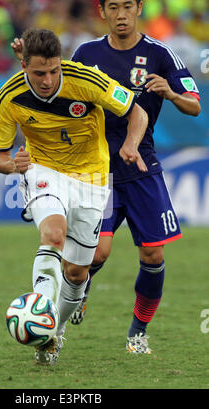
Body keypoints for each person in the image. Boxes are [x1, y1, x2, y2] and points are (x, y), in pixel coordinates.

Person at [0, 27, 148, 365]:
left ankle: (54, 333)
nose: (47, 80)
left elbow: (137, 111)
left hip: (92, 175)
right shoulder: (9, 97)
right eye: (38, 73)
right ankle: (41, 308)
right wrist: (14, 166)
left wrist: (131, 144)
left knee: (78, 273)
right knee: (53, 234)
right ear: (24, 67)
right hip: (43, 169)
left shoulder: (87, 80)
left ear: (60, 63)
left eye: (53, 71)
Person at [68, 0, 201, 354]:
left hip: (142, 167)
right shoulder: (85, 53)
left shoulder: (161, 54)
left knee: (153, 255)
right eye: (114, 7)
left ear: (139, 8)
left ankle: (137, 332)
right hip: (98, 170)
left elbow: (195, 105)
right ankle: (78, 293)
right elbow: (64, 100)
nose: (121, 14)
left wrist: (171, 93)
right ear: (102, 12)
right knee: (97, 254)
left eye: (128, 5)